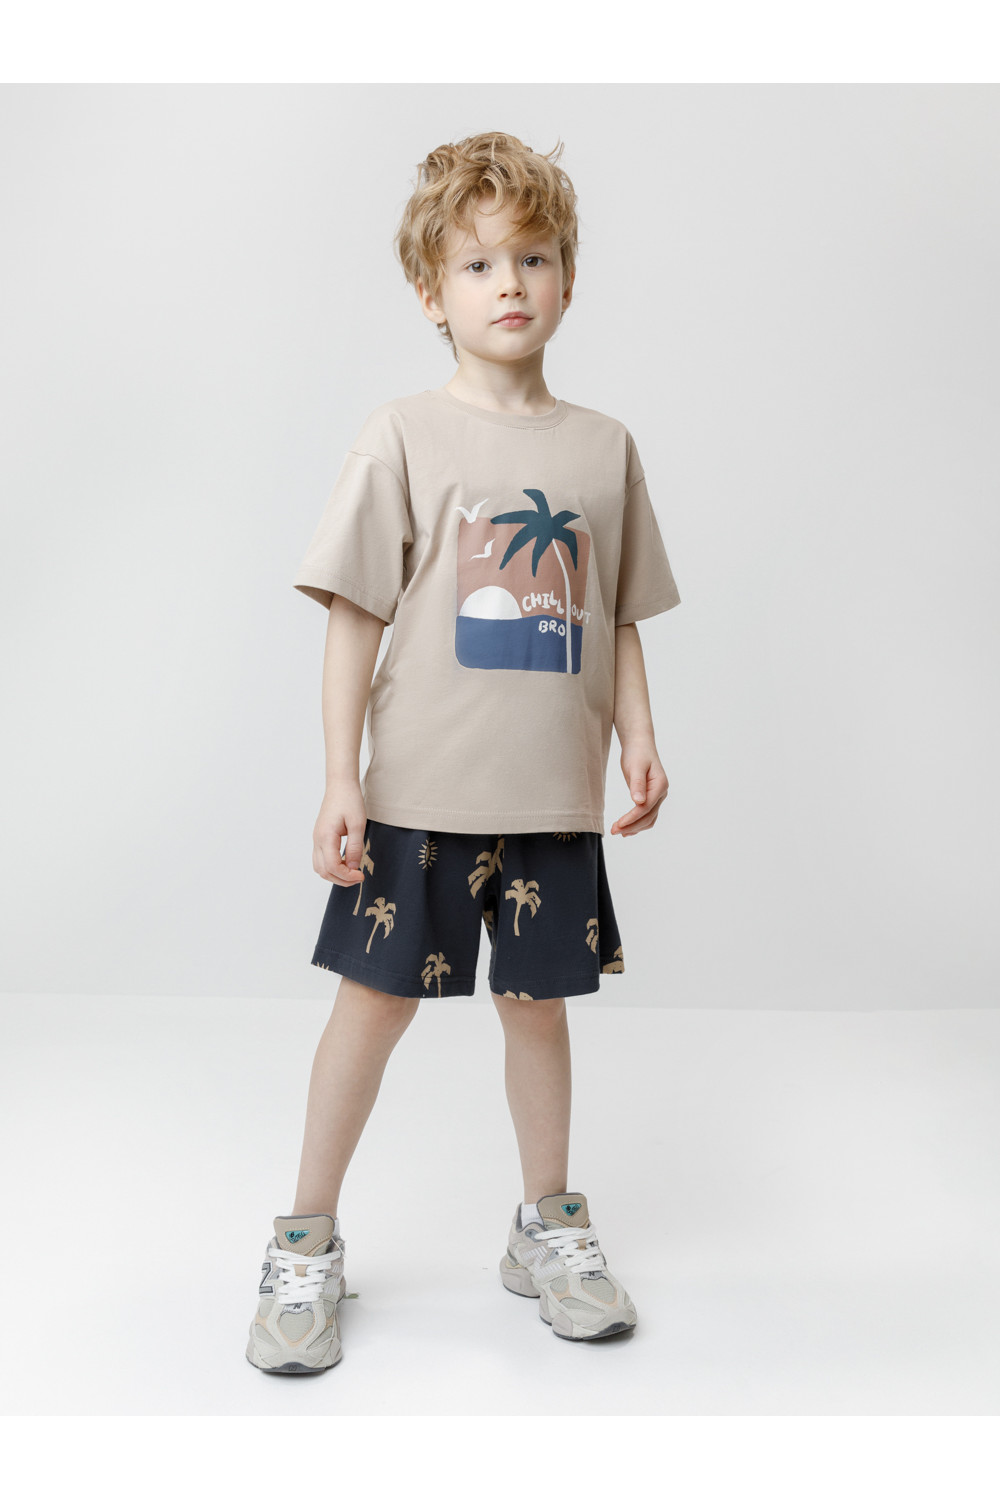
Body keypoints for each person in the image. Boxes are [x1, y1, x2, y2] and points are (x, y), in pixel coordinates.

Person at [246, 131, 681, 1374]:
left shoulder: (603, 449)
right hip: (418, 800)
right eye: (478, 263)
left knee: (537, 1009)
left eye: (532, 258)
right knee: (372, 1006)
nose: (509, 284)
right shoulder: (400, 435)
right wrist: (341, 778)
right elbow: (353, 616)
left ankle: (546, 1225)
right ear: (430, 293)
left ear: (567, 278)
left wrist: (639, 735)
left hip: (552, 801)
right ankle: (304, 1239)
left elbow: (618, 614)